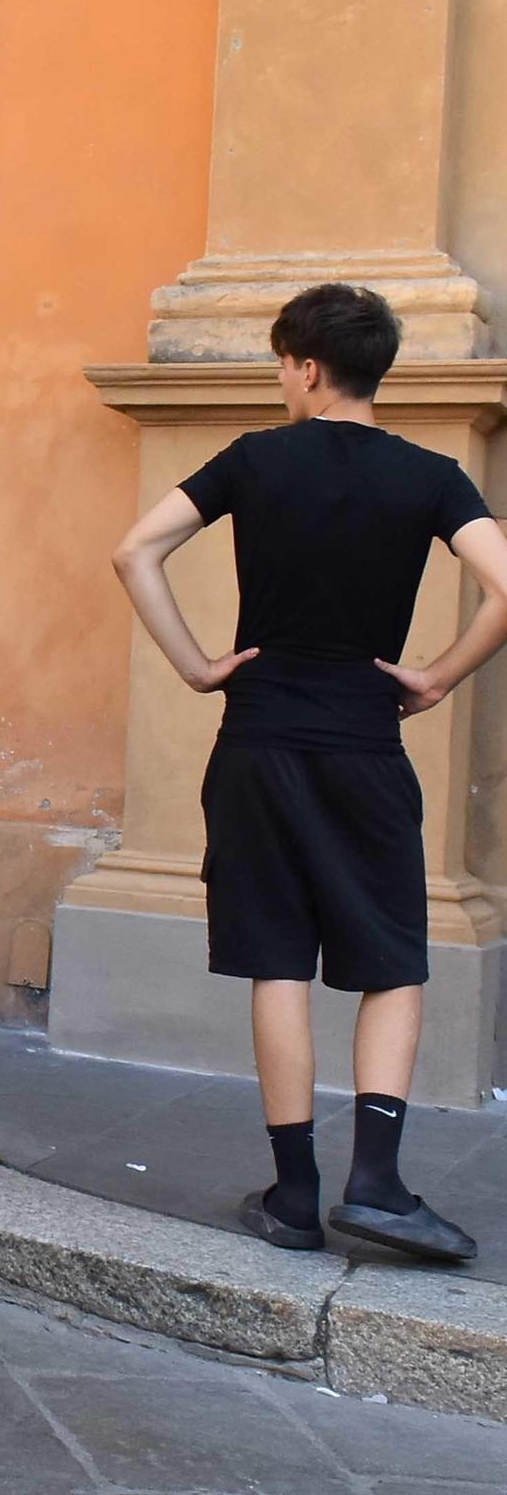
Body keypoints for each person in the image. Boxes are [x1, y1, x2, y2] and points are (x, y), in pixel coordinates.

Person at [113, 283, 507, 1264]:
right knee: (391, 960)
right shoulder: (431, 478)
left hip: (256, 741)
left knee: (278, 959)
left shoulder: (254, 459)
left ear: (304, 366)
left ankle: (293, 1194)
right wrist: (436, 675)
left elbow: (135, 552)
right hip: (364, 745)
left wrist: (200, 665)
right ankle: (375, 1181)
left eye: (281, 364)